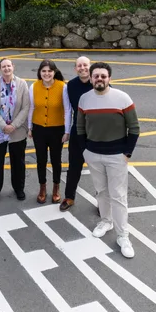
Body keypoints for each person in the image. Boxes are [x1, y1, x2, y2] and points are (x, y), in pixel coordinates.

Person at [76, 62, 140, 259]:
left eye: (103, 76)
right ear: (91, 78)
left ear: (109, 78)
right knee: (101, 192)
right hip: (93, 154)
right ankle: (106, 221)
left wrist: (126, 153)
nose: (99, 79)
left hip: (116, 156)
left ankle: (123, 236)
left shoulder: (122, 98)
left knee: (118, 196)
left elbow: (134, 128)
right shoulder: (84, 99)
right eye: (96, 76)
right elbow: (79, 128)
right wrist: (84, 151)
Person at [0, 58, 30, 202]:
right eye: (3, 66)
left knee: (18, 161)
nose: (6, 69)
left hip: (17, 130)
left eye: (8, 66)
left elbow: (25, 107)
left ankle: (19, 188)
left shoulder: (22, 84)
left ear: (13, 67)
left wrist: (14, 125)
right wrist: (4, 126)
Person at [26, 59, 68, 204]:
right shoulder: (34, 86)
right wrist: (29, 127)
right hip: (39, 129)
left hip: (57, 129)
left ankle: (56, 187)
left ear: (54, 72)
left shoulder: (63, 87)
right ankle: (42, 187)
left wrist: (67, 131)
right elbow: (31, 107)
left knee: (56, 159)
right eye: (43, 71)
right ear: (40, 72)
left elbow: (68, 111)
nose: (46, 74)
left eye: (49, 71)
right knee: (41, 159)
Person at [59, 56, 93, 212]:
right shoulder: (70, 85)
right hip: (77, 132)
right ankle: (69, 197)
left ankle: (104, 203)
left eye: (85, 65)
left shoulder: (98, 83)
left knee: (99, 170)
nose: (82, 68)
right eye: (79, 65)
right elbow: (68, 111)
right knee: (74, 167)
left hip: (96, 133)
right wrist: (67, 131)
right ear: (75, 68)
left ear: (90, 66)